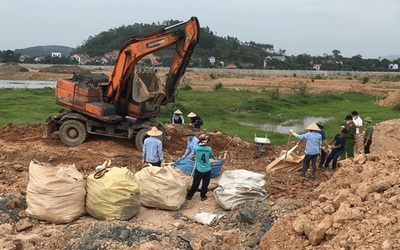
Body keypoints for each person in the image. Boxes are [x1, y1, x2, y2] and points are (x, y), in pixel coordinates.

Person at [186, 134, 212, 201]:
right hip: (207, 169)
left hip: (199, 169)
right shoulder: (209, 149)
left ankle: (190, 195)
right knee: (205, 183)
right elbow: (210, 156)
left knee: (195, 183)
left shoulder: (196, 148)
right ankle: (203, 196)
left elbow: (194, 154)